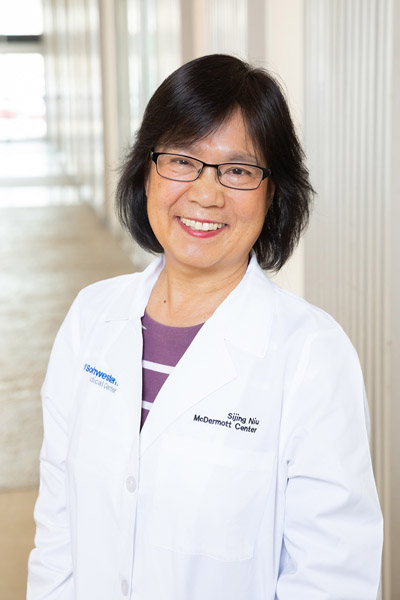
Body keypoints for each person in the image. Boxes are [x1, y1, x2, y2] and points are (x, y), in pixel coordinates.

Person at [27, 54, 383, 600]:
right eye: (182, 160)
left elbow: (331, 576)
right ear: (146, 170)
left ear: (273, 193)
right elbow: (58, 528)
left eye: (238, 170)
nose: (206, 193)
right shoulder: (90, 319)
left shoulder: (312, 354)